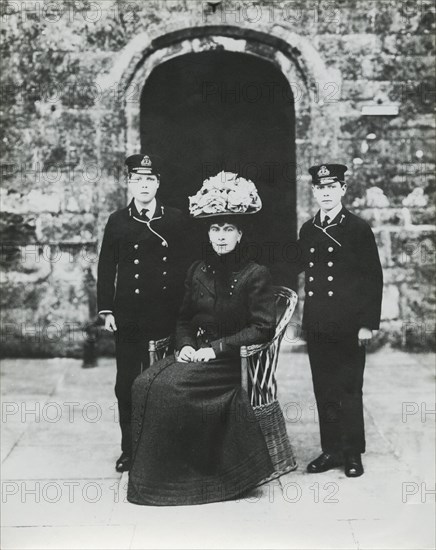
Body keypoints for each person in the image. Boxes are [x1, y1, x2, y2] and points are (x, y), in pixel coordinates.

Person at [127, 172, 278, 506]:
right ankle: (155, 472)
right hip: (195, 353)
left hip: (227, 361)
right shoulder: (198, 270)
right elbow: (183, 317)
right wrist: (184, 345)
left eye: (227, 230)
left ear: (240, 234)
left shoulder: (255, 274)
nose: (220, 237)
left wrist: (217, 348)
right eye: (214, 229)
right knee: (142, 383)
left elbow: (262, 327)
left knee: (171, 390)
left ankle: (184, 479)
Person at [97, 153, 187, 473]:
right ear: (129, 183)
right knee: (126, 383)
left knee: (163, 382)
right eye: (138, 180)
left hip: (164, 313)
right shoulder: (118, 220)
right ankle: (130, 448)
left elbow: (184, 268)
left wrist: (184, 314)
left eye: (149, 180)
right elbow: (107, 267)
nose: (144, 185)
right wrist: (106, 309)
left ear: (158, 183)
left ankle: (164, 448)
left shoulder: (174, 218)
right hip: (129, 315)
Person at [295, 164, 383, 478]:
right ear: (314, 192)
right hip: (318, 324)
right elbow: (295, 266)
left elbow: (373, 278)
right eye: (321, 188)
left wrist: (367, 324)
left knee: (349, 387)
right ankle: (331, 450)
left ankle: (352, 453)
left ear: (342, 190)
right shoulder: (308, 230)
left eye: (332, 187)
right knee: (324, 388)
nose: (326, 193)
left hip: (348, 324)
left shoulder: (357, 228)